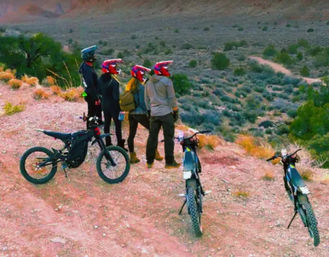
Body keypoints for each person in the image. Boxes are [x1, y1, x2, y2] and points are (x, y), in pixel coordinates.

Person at [144, 60, 180, 169]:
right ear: (162, 70)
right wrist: (175, 110)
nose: (168, 70)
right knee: (168, 138)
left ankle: (149, 161)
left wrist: (149, 111)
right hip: (166, 113)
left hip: (154, 113)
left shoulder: (148, 82)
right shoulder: (167, 81)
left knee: (152, 137)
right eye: (166, 69)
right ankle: (169, 162)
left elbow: (146, 99)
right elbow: (171, 98)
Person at [126, 65, 163, 164]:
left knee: (131, 134)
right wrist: (149, 113)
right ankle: (154, 153)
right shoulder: (141, 87)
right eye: (143, 73)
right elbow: (143, 104)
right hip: (139, 113)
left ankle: (132, 156)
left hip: (131, 113)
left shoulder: (130, 85)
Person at [98, 59, 126, 149]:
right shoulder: (114, 82)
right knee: (118, 125)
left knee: (107, 124)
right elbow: (116, 98)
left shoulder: (100, 80)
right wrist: (120, 109)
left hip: (104, 105)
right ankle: (120, 144)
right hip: (114, 107)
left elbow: (99, 93)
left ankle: (108, 143)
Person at [79, 45, 102, 128]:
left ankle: (93, 126)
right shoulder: (87, 69)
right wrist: (96, 98)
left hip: (87, 93)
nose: (94, 56)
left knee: (93, 110)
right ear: (89, 56)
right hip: (90, 94)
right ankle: (90, 129)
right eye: (93, 54)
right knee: (92, 111)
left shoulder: (85, 66)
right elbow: (91, 85)